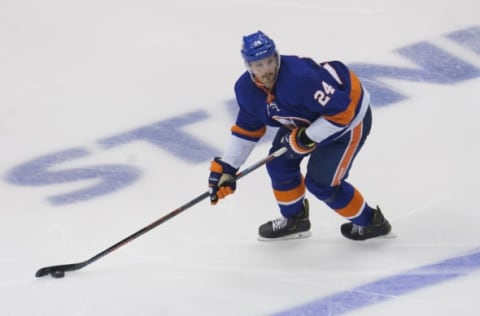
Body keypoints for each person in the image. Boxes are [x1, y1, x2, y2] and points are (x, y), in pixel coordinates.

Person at [207, 31, 392, 241]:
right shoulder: (246, 90)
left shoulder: (300, 78)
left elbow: (342, 112)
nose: (266, 70)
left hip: (348, 122)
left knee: (321, 184)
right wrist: (228, 168)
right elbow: (247, 130)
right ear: (248, 66)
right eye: (259, 65)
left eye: (269, 62)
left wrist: (308, 137)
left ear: (276, 57)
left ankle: (372, 223)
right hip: (305, 119)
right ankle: (295, 221)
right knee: (278, 164)